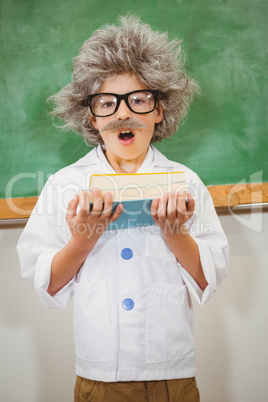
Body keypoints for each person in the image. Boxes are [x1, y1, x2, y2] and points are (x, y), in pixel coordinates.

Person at [17, 15, 229, 402]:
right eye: (106, 102)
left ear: (160, 110)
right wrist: (83, 239)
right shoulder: (64, 186)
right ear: (91, 117)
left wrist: (175, 231)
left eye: (139, 99)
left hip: (172, 376)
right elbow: (45, 284)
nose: (123, 113)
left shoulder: (185, 181)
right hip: (100, 376)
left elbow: (207, 279)